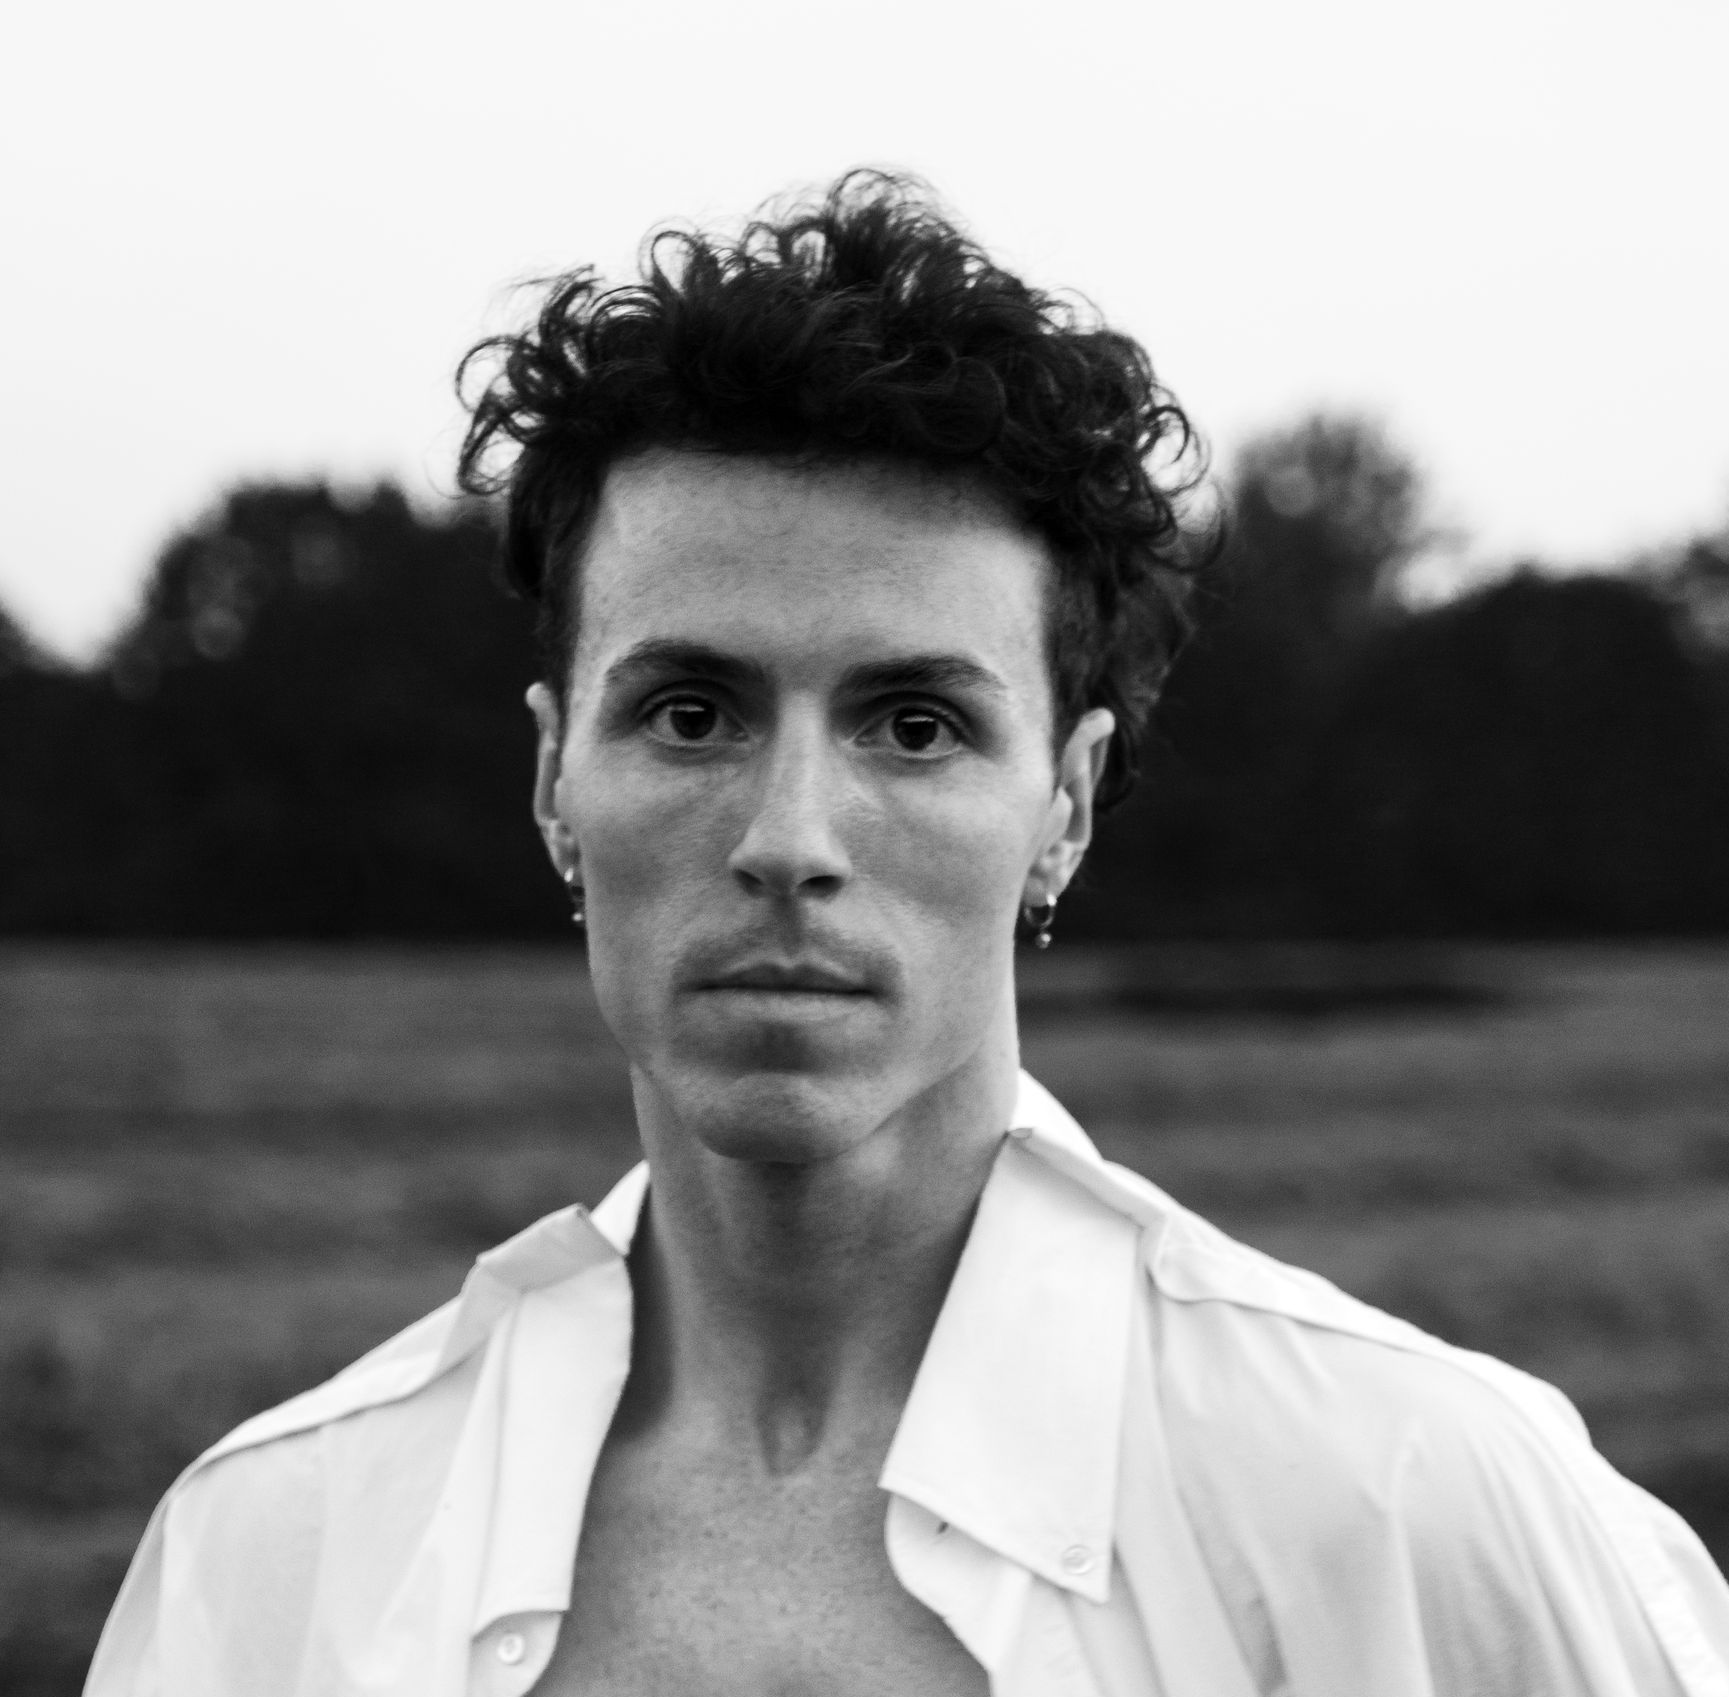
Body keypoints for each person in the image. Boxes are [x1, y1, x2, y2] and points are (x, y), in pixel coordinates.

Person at [87, 172, 1729, 1697]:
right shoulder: (277, 1553)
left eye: (915, 725)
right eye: (686, 710)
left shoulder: (1407, 1500)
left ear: (1065, 804)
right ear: (551, 779)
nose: (787, 838)